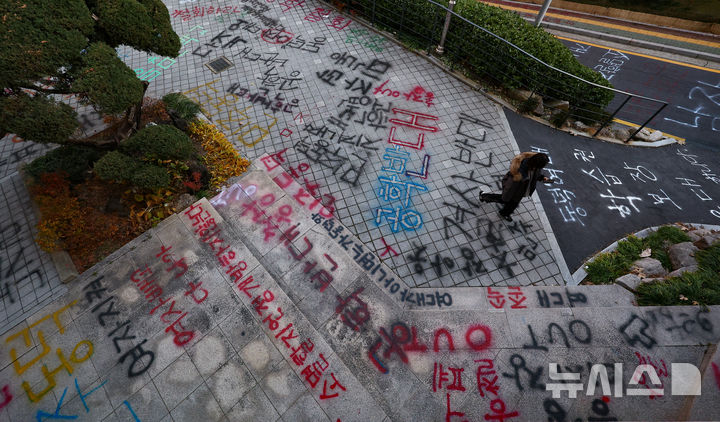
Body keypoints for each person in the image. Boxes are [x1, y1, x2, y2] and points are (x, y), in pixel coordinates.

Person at [480, 152, 553, 222]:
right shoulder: (519, 173)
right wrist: (506, 197)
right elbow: (510, 186)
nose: (542, 168)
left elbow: (536, 175)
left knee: (511, 204)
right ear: (536, 164)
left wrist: (542, 178)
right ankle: (484, 196)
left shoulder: (535, 167)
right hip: (514, 191)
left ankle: (504, 213)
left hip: (520, 191)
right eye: (542, 166)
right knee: (505, 200)